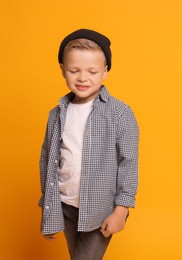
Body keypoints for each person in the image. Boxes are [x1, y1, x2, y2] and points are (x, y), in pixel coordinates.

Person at [38, 28, 139, 259]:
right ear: (63, 70)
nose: (83, 78)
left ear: (105, 71)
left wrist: (121, 210)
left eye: (92, 71)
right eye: (74, 70)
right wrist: (49, 208)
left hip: (100, 210)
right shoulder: (56, 114)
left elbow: (129, 162)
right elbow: (48, 160)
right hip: (65, 206)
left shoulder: (120, 113)